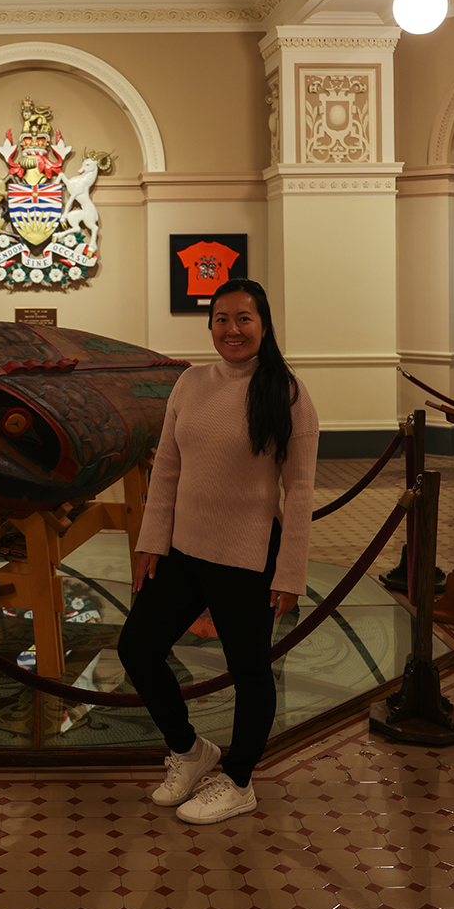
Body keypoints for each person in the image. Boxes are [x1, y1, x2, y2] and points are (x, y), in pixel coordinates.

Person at [116, 278, 319, 825]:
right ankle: (188, 749)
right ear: (210, 326)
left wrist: (290, 572)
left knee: (249, 669)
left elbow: (299, 490)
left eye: (244, 318)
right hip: (184, 548)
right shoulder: (190, 383)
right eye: (221, 319)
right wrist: (151, 542)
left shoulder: (288, 392)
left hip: (248, 554)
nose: (232, 330)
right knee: (137, 647)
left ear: (264, 324)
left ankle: (239, 779)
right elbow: (167, 469)